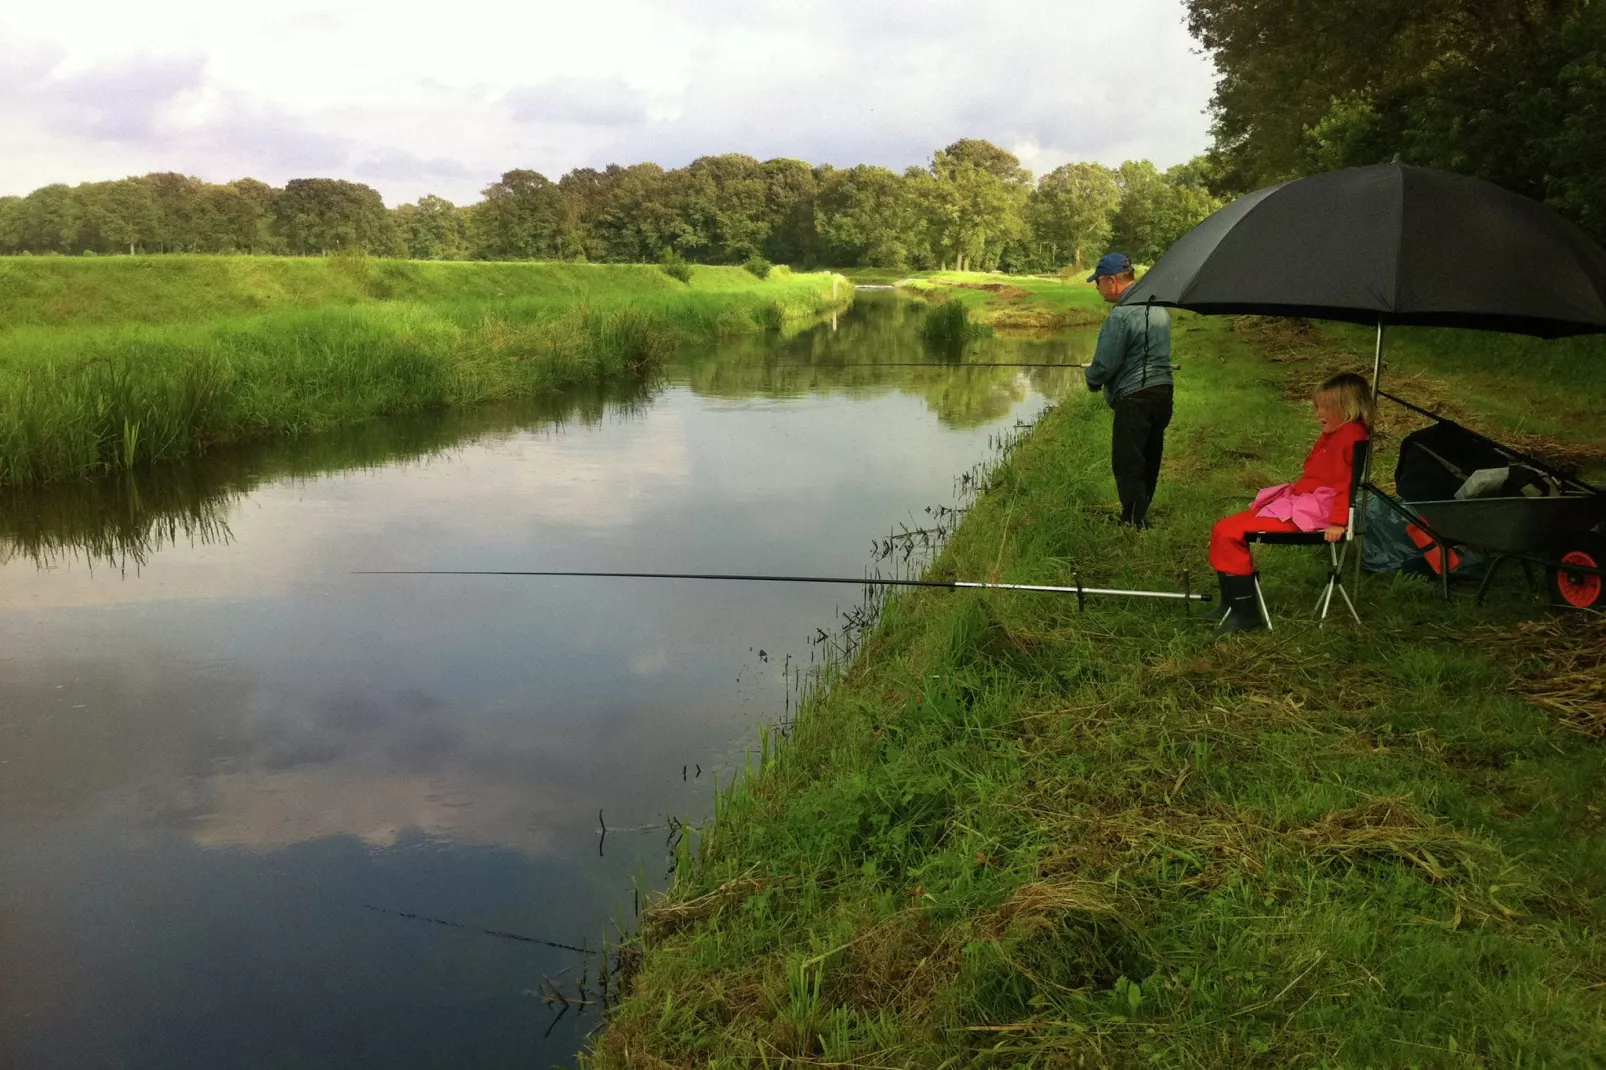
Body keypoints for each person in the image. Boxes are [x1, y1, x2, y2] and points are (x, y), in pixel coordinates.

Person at [1212, 372, 1374, 633]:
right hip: (1304, 502)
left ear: (1345, 407)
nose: (1317, 414)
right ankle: (1230, 603)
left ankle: (1245, 613)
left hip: (1319, 512)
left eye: (1324, 408)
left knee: (1231, 532)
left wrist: (1338, 522)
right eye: (1317, 407)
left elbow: (1346, 482)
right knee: (1223, 528)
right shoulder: (1337, 432)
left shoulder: (1350, 435)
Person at [1083, 253, 1174, 526]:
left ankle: (1134, 521)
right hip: (1163, 392)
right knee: (1150, 455)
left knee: (1128, 461)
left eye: (1097, 282)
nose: (1097, 287)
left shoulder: (1121, 315)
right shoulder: (1159, 308)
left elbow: (1105, 364)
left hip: (1135, 398)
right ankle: (1139, 513)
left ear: (1111, 281)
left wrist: (1092, 378)